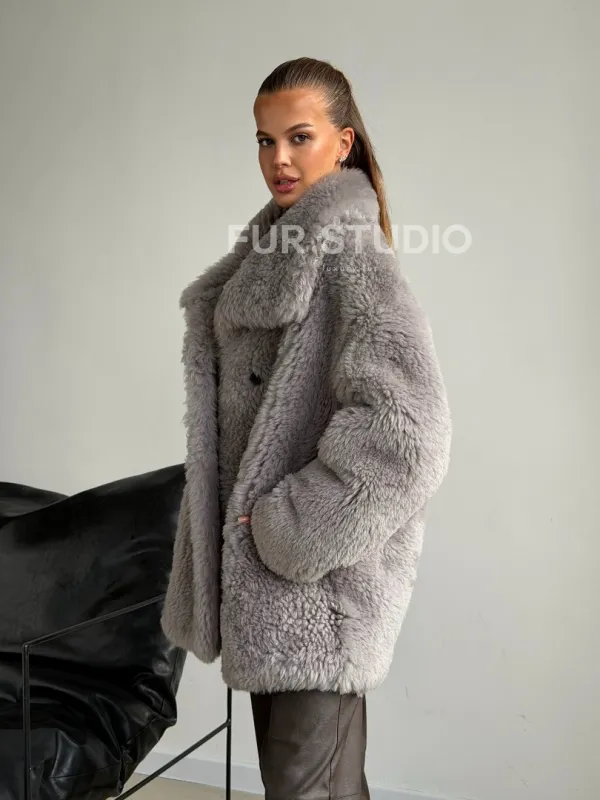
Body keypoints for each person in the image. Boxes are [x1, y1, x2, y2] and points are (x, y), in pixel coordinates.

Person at [161, 56, 452, 800]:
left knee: (305, 789)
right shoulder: (282, 248)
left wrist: (288, 527)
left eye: (299, 137)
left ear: (343, 142)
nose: (279, 159)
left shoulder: (350, 254)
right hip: (275, 586)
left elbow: (410, 434)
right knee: (315, 786)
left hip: (315, 589)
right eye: (265, 141)